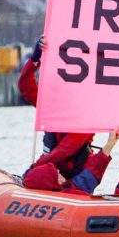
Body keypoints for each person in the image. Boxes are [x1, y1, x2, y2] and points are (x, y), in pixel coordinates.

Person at [19, 35, 93, 178]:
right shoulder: (52, 106)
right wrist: (35, 58)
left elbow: (64, 150)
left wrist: (35, 167)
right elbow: (25, 85)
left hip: (75, 178)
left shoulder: (85, 117)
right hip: (51, 170)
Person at [23, 129, 119, 195]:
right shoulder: (73, 189)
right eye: (56, 174)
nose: (58, 171)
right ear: (53, 184)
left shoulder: (31, 178)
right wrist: (109, 145)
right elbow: (91, 173)